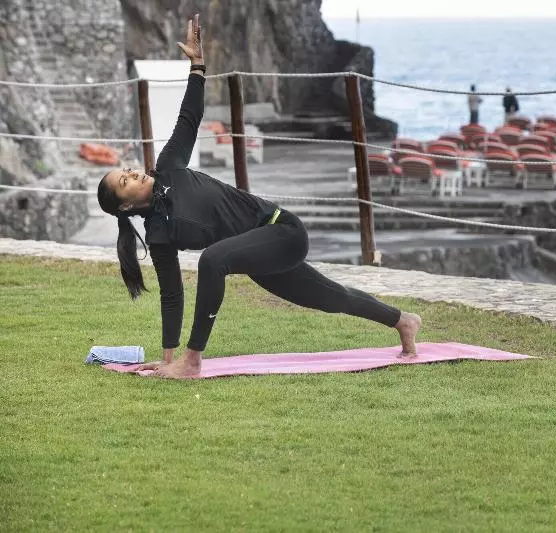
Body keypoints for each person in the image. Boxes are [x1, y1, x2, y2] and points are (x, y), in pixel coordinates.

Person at [96, 14, 422, 379]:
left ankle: (194, 360)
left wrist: (198, 66)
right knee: (332, 298)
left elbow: (189, 117)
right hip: (259, 258)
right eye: (125, 182)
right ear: (125, 206)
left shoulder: (168, 166)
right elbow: (172, 296)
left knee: (213, 259)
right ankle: (403, 321)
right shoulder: (159, 235)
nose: (132, 172)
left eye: (126, 170)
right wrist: (165, 356)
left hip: (282, 230)